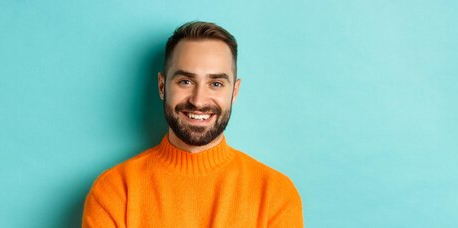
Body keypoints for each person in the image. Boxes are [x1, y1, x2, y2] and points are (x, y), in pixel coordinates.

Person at [82, 21, 303, 227]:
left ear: (234, 92)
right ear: (162, 86)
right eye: (186, 81)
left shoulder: (275, 194)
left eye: (216, 83)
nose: (198, 100)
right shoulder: (116, 191)